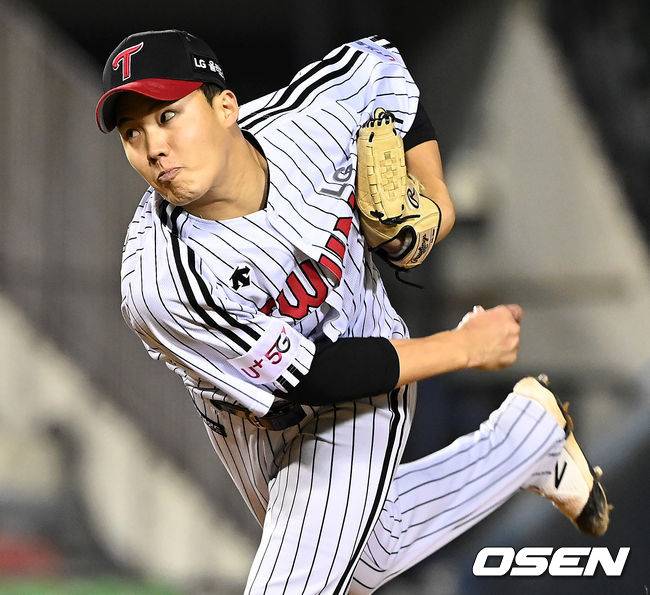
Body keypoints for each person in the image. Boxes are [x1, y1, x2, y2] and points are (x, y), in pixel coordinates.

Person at [96, 29, 609, 594]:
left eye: (168, 116)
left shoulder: (313, 120)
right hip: (254, 416)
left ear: (225, 107)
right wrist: (463, 348)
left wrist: (437, 203)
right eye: (132, 132)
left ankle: (530, 440)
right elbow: (310, 376)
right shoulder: (160, 282)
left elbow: (383, 68)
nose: (154, 147)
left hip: (367, 364)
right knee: (367, 557)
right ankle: (529, 440)